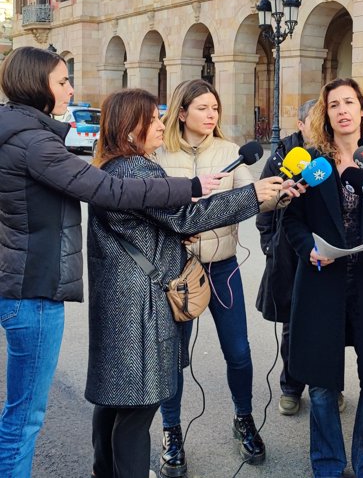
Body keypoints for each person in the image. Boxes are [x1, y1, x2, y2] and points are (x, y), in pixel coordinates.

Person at [0, 46, 226, 478]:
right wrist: (191, 186)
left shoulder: (23, 134)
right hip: (32, 288)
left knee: (31, 414)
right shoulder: (32, 142)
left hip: (26, 284)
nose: (70, 88)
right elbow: (109, 191)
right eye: (63, 80)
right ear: (37, 84)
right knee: (24, 419)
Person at [86, 88, 286, 478]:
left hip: (127, 301)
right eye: (153, 119)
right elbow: (184, 216)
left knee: (114, 404)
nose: (161, 125)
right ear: (130, 130)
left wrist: (171, 235)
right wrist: (252, 195)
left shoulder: (115, 167)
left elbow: (153, 224)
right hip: (139, 306)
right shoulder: (135, 169)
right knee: (135, 412)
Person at [154, 79, 289, 472]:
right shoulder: (160, 153)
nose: (212, 115)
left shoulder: (232, 152)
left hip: (223, 267)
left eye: (215, 107)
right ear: (182, 112)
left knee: (239, 352)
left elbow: (253, 198)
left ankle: (243, 418)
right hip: (175, 272)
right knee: (171, 357)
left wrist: (280, 195)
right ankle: (171, 430)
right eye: (203, 108)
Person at [282, 78, 363, 478]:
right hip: (322, 280)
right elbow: (292, 220)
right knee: (321, 384)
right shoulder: (312, 162)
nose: (342, 110)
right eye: (333, 104)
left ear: (362, 110)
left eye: (349, 102)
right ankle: (328, 465)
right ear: (326, 114)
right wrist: (308, 250)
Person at [256, 98, 345, 416]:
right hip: (288, 251)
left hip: (327, 251)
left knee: (331, 323)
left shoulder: (333, 154)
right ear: (301, 123)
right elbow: (263, 202)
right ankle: (291, 387)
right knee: (293, 324)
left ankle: (331, 386)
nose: (322, 126)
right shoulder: (283, 154)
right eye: (316, 120)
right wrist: (269, 243)